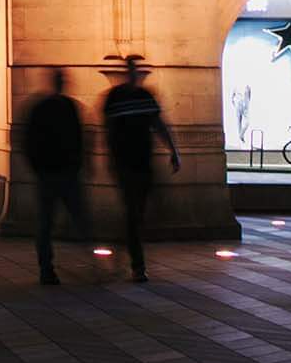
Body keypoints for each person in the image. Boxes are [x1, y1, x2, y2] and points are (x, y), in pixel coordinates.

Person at [102, 55, 180, 282]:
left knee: (137, 213)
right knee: (134, 213)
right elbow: (109, 130)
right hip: (126, 164)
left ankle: (127, 247)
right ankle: (137, 264)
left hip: (141, 163)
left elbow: (159, 125)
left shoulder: (143, 97)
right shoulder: (116, 97)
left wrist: (174, 151)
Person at [21, 69, 88, 285]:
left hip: (59, 172)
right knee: (51, 222)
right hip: (56, 173)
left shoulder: (60, 106)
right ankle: (48, 268)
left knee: (52, 222)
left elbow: (79, 138)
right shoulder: (59, 107)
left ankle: (51, 267)